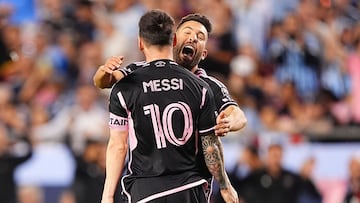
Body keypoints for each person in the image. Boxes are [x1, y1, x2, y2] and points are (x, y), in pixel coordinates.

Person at [93, 13, 247, 199]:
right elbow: (105, 81)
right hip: (185, 188)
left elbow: (237, 114)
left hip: (163, 186)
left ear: (204, 53)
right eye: (188, 32)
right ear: (174, 39)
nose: (192, 38)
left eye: (200, 37)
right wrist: (104, 71)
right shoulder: (139, 71)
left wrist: (229, 122)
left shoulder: (208, 85)